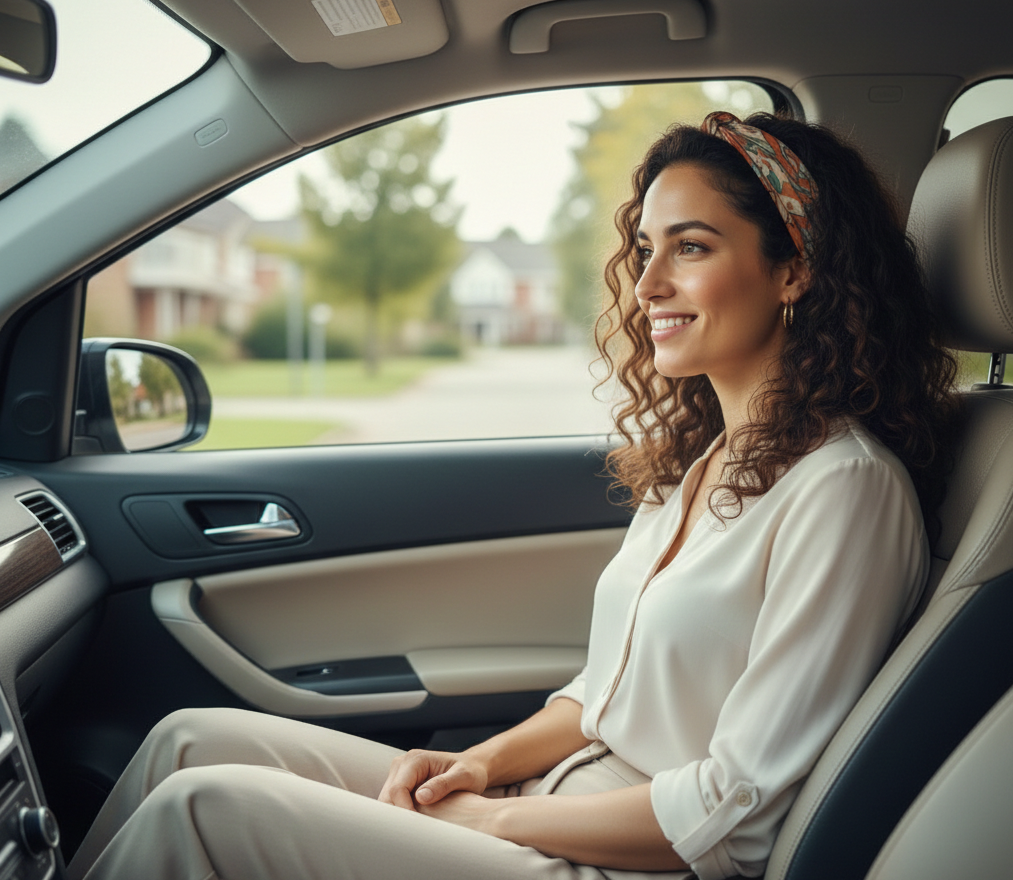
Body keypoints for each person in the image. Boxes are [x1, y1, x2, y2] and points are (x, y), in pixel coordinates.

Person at [66, 111, 960, 880]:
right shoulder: (708, 463)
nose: (647, 285)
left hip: (628, 860)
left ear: (793, 270)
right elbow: (601, 697)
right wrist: (472, 766)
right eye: (645, 249)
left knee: (205, 807)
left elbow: (737, 806)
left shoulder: (844, 491)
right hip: (560, 809)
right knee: (192, 739)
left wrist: (493, 819)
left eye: (690, 247)